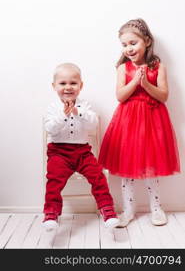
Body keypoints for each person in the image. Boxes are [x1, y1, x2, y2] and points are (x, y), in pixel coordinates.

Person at [98, 18, 180, 227]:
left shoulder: (157, 66)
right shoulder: (123, 68)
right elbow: (120, 96)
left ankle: (156, 208)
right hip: (128, 122)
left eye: (133, 43)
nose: (128, 48)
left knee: (152, 166)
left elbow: (163, 96)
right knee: (127, 168)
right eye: (124, 44)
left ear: (147, 41)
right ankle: (128, 209)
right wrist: (135, 81)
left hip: (153, 121)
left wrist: (146, 84)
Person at [43, 62, 120, 230]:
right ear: (54, 86)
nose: (68, 87)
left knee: (98, 176)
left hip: (82, 152)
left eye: (73, 83)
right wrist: (64, 115)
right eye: (63, 83)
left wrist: (78, 112)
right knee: (54, 180)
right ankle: (51, 213)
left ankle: (107, 210)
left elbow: (93, 124)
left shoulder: (84, 106)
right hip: (58, 152)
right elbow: (50, 128)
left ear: (81, 85)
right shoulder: (53, 107)